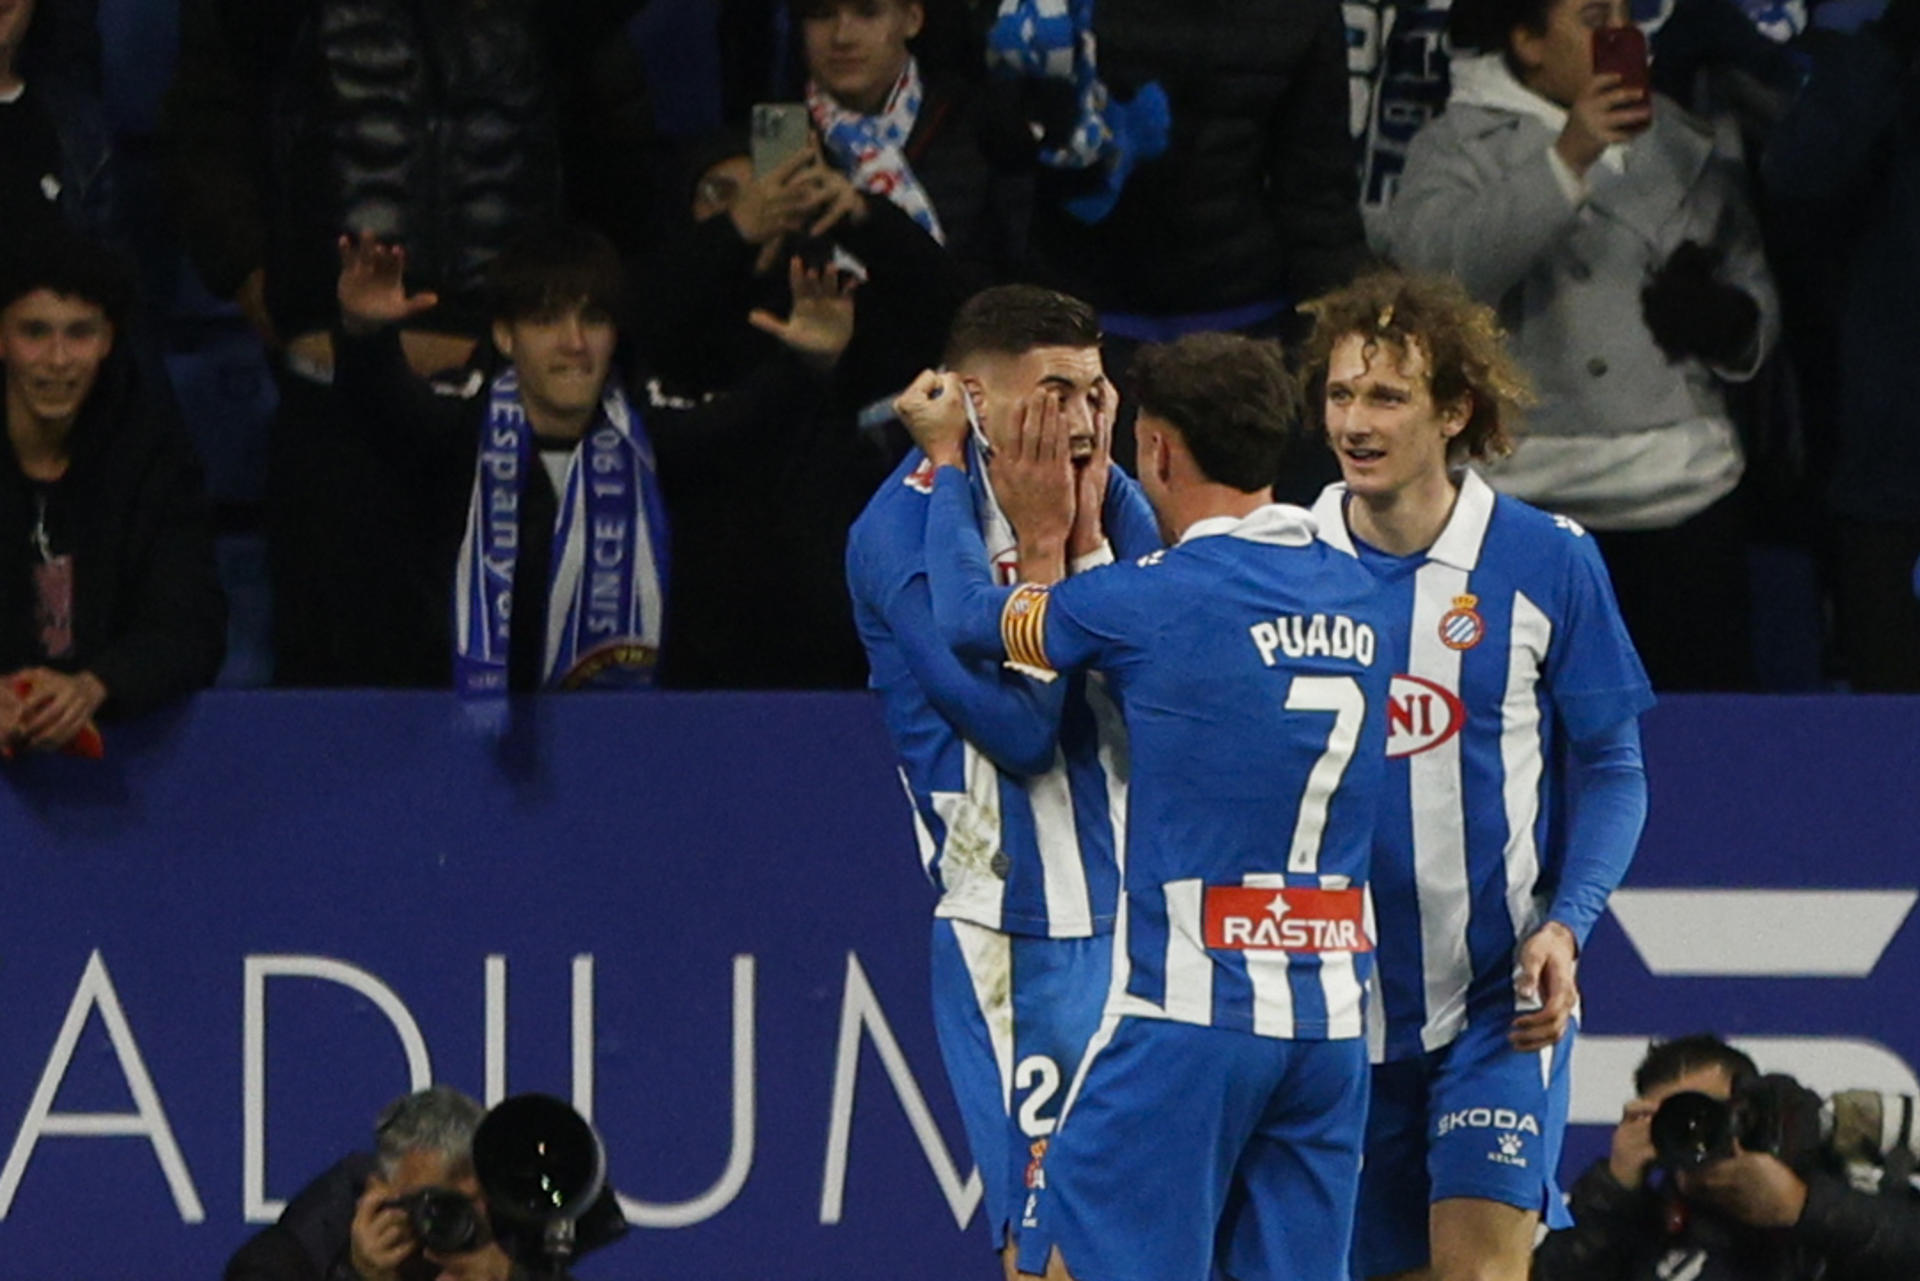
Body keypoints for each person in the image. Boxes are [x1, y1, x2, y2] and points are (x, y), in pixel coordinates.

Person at [904, 329, 1393, 1281]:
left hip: (1188, 1020)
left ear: (1158, 450)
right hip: (1330, 1025)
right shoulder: (1364, 589)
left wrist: (951, 460)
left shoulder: (1155, 601)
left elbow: (970, 616)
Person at [1295, 270, 1653, 1281]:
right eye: (1339, 395)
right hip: (1329, 1016)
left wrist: (1564, 925)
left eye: (1387, 397)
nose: (1355, 423)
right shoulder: (1275, 560)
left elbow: (1615, 768)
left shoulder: (1546, 562)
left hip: (1502, 1003)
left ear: (1455, 412)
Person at [160, 0, 629, 687]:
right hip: (335, 398)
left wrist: (575, 290)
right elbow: (206, 115)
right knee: (333, 687)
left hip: (502, 394)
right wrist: (243, 265)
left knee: (521, 698)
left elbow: (612, 136)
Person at [845, 283, 1158, 1277]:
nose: (1079, 418)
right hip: (1022, 940)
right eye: (1053, 392)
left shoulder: (1104, 486)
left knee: (1158, 1235)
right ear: (972, 400)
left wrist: (1088, 528)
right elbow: (1021, 733)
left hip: (1149, 918)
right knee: (1053, 1246)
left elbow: (1166, 667)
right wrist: (1042, 554)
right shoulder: (896, 532)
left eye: (1094, 389)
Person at [1381, 0, 1779, 691]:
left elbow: (1752, 280)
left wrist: (1729, 321)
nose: (1620, 34)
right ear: (1528, 40)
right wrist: (1569, 157)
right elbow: (1433, 279)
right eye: (1594, 18)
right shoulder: (1455, 146)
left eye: (1629, 15)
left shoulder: (1688, 138)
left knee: (1709, 746)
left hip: (1684, 491)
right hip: (1527, 499)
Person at [331, 221, 854, 695]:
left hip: (632, 748)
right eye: (546, 321)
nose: (575, 343)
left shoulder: (653, 437)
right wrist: (364, 336)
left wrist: (810, 363)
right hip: (459, 741)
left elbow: (748, 428)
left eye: (594, 320)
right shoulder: (456, 430)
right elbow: (385, 409)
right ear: (504, 336)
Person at [986, 0, 1371, 497]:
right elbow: (1001, 163)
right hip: (1083, 338)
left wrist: (1349, 344)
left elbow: (1317, 193)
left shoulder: (1298, 14)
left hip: (1244, 340)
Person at [0, 230, 224, 753]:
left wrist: (96, 684)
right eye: (35, 332)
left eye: (79, 334)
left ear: (108, 340)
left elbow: (192, 624)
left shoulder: (151, 455)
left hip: (120, 759)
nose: (58, 360)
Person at [1760, 0, 1920, 691]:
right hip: (1893, 473)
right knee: (1886, 740)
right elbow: (1795, 174)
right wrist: (1891, 45)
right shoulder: (1880, 63)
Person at [1535, 1034, 1920, 1280]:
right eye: (1678, 1122)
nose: (1699, 1134)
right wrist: (1614, 1189)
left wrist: (1803, 1208)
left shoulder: (1845, 1177)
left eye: (1711, 1114)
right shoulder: (1650, 1235)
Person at [223, 1085, 559, 1281]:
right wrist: (356, 1276)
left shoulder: (507, 1235)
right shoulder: (281, 1262)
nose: (464, 1223)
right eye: (442, 1205)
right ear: (381, 1194)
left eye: (479, 1200)